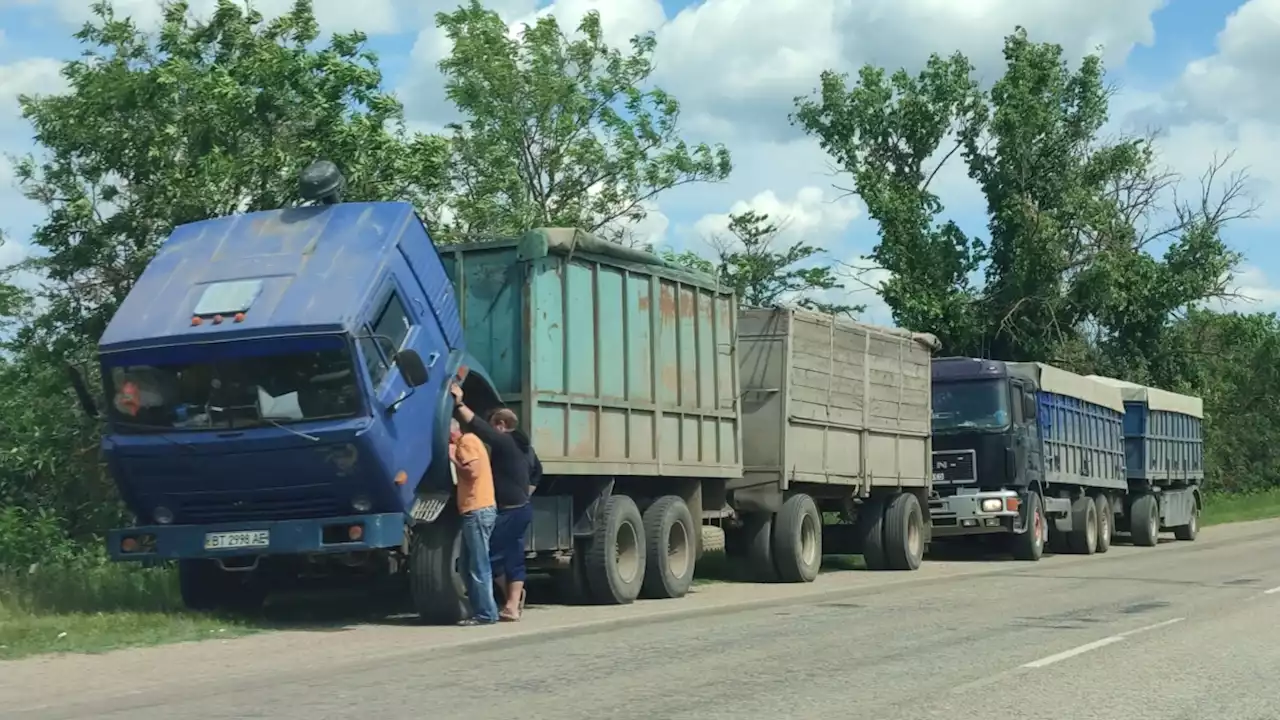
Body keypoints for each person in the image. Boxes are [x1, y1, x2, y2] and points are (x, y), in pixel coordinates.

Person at [449, 384, 533, 622]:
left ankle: (494, 608)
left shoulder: (505, 443)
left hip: (510, 511)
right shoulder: (522, 448)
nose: (492, 431)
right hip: (521, 508)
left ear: (502, 426)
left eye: (494, 425)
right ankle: (512, 605)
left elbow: (479, 427)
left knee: (488, 557)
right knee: (512, 558)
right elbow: (537, 470)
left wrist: (459, 404)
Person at [448, 416, 500, 626]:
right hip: (477, 510)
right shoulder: (470, 441)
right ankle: (481, 610)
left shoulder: (466, 442)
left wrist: (453, 458)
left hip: (477, 510)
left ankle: (486, 614)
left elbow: (473, 472)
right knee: (469, 564)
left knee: (478, 566)